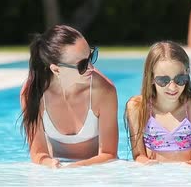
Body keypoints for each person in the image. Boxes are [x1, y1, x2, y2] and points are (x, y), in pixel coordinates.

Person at [20, 25, 118, 168]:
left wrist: (74, 170)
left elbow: (109, 154)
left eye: (91, 56)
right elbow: (38, 154)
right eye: (82, 64)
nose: (91, 67)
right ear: (56, 69)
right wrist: (52, 165)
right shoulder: (33, 93)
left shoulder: (103, 91)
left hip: (97, 170)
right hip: (58, 171)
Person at [125, 41, 191, 164]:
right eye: (163, 80)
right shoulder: (137, 107)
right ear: (151, 78)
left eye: (180, 79)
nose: (172, 87)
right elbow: (139, 156)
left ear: (187, 73)